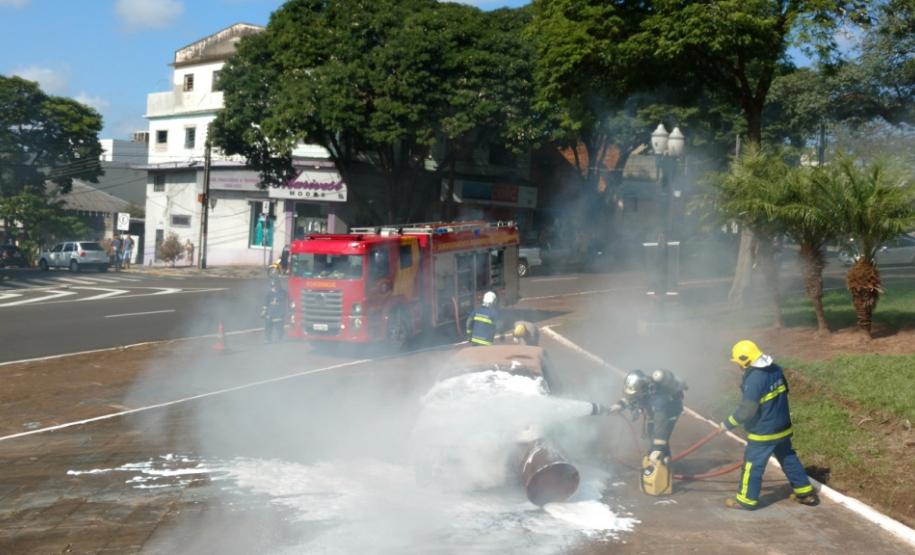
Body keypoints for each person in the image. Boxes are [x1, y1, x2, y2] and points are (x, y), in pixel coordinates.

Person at [719, 340, 818, 510]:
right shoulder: (776, 369)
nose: (739, 367)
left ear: (745, 360)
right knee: (788, 458)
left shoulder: (755, 379)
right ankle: (805, 493)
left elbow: (747, 410)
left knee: (752, 465)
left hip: (764, 431)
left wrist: (728, 424)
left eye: (739, 363)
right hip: (783, 426)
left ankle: (746, 500)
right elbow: (784, 391)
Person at [595, 369, 687, 463]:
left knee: (659, 439)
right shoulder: (643, 389)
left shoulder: (659, 400)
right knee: (651, 434)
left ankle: (663, 462)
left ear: (642, 390)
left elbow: (661, 427)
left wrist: (657, 449)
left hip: (669, 412)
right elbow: (631, 398)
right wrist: (619, 405)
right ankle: (663, 460)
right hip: (654, 412)